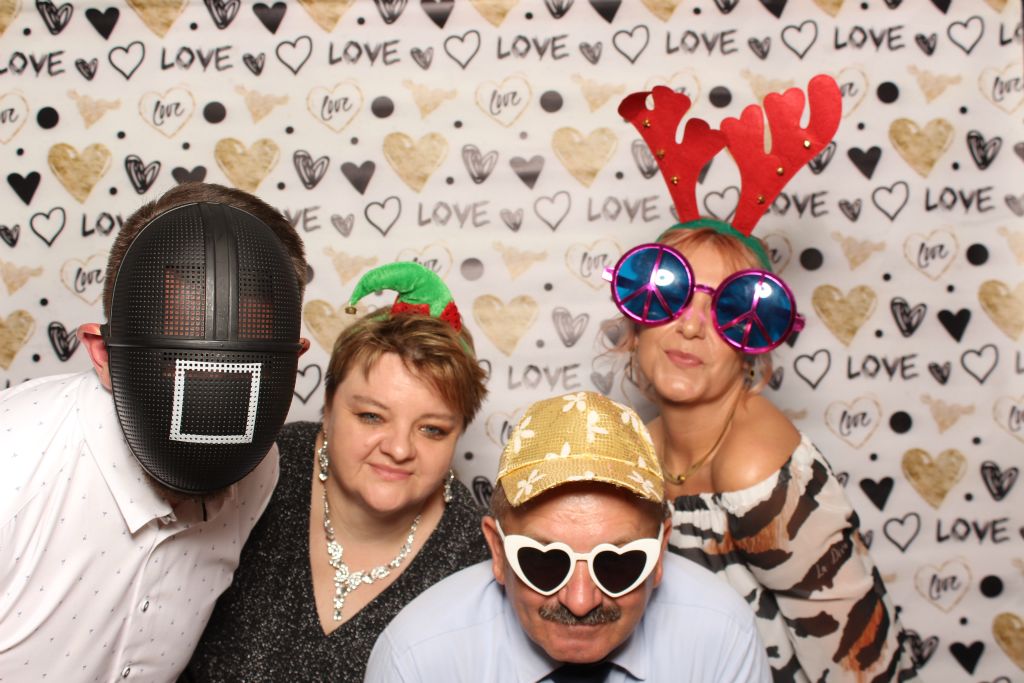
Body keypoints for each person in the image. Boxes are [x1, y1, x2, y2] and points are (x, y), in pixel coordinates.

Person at [602, 78, 919, 679]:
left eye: (732, 308)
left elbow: (858, 661)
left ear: (756, 345)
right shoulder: (634, 449)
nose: (691, 327)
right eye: (668, 294)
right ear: (635, 321)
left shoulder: (757, 472)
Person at [0, 182, 309, 681]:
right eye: (178, 362)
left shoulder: (259, 467)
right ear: (103, 354)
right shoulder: (14, 460)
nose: (210, 400)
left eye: (241, 367)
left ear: (291, 363)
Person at [186, 262, 490, 681]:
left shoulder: (477, 560)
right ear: (328, 410)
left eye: (432, 429)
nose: (399, 449)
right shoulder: (256, 471)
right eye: (371, 416)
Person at [366, 391, 771, 683]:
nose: (580, 601)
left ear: (660, 551)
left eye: (617, 564)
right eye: (544, 561)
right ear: (498, 552)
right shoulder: (419, 659)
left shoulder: (722, 634)